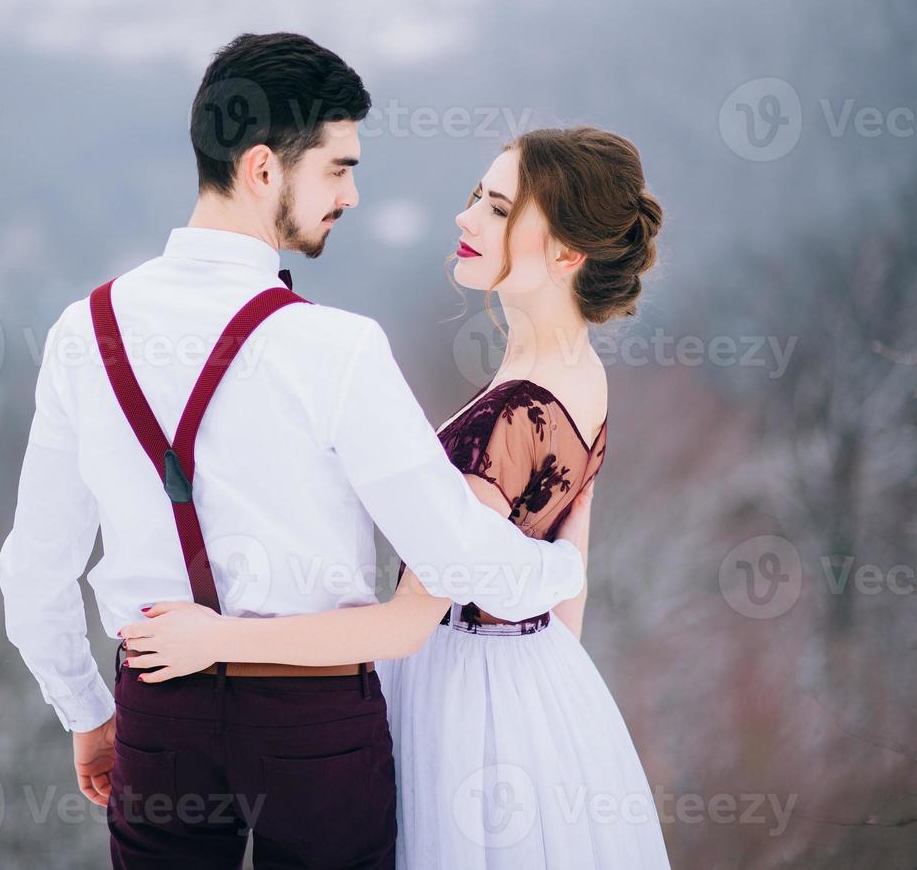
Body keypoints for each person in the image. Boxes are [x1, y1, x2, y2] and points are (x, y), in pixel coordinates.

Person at [0, 33, 587, 868]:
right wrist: (562, 571)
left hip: (157, 721)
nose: (350, 195)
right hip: (316, 730)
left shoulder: (80, 336)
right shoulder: (335, 348)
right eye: (338, 168)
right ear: (265, 169)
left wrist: (89, 716)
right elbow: (453, 553)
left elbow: (33, 573)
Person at [120, 127, 672, 867]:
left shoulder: (511, 417)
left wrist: (215, 640)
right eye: (479, 195)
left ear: (568, 254)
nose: (467, 217)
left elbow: (406, 624)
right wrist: (540, 725)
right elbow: (569, 583)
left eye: (501, 209)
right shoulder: (578, 373)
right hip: (539, 690)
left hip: (461, 700)